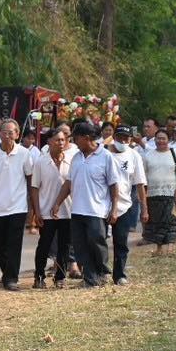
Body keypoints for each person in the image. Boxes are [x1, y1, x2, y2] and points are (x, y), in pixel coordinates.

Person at [52, 122, 120, 287]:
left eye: (76, 138)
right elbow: (68, 183)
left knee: (96, 242)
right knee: (81, 246)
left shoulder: (106, 156)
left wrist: (115, 208)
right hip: (77, 210)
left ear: (87, 138)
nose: (74, 142)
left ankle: (102, 272)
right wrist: (57, 203)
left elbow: (114, 185)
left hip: (97, 210)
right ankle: (90, 279)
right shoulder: (76, 157)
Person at [0, 119, 33, 290]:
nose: (8, 136)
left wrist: (32, 206)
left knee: (14, 244)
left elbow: (30, 178)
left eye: (11, 132)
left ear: (17, 134)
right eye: (4, 132)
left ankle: (11, 279)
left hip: (18, 207)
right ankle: (7, 274)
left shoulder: (24, 154)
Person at [29, 127, 73, 287]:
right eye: (57, 140)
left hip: (67, 211)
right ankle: (39, 276)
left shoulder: (71, 160)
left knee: (65, 246)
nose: (61, 143)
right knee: (44, 244)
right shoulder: (41, 162)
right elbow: (34, 188)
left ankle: (60, 277)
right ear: (49, 142)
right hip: (46, 211)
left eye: (63, 139)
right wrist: (37, 212)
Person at [106, 127, 148, 285]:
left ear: (131, 140)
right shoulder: (104, 154)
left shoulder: (134, 156)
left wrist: (144, 209)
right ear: (114, 137)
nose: (122, 142)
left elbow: (139, 184)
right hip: (102, 205)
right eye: (119, 137)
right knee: (98, 240)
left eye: (126, 139)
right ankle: (101, 270)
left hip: (124, 206)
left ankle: (119, 274)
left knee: (121, 242)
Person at [141, 128, 176, 254]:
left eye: (163, 138)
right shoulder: (148, 155)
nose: (161, 141)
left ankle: (170, 246)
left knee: (171, 220)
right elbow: (143, 175)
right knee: (157, 221)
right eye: (158, 138)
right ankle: (159, 248)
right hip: (153, 193)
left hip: (172, 193)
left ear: (168, 140)